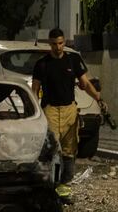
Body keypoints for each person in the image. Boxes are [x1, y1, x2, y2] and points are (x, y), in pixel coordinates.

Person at [31, 28, 105, 203]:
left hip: (69, 109)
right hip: (50, 111)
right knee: (51, 151)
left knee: (69, 151)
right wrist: (35, 113)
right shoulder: (42, 64)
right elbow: (35, 90)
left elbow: (85, 83)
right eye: (55, 44)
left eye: (61, 43)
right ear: (50, 44)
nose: (58, 47)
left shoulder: (73, 60)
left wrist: (99, 98)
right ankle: (51, 188)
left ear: (64, 42)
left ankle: (64, 190)